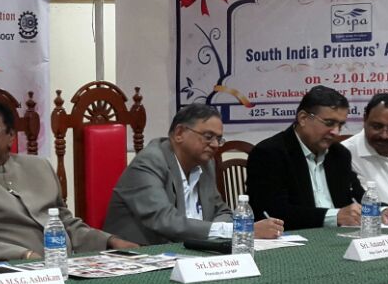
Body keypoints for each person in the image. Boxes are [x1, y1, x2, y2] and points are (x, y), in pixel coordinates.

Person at [0, 99, 136, 261]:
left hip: (65, 264)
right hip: (11, 272)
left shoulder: (40, 166)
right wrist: (25, 255)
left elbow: (66, 223)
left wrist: (110, 241)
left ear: (11, 136)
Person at [104, 104, 283, 245]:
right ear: (179, 133)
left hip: (189, 253)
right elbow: (165, 221)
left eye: (218, 138)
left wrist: (224, 230)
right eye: (208, 136)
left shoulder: (205, 163)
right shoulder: (149, 162)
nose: (215, 145)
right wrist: (238, 230)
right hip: (140, 256)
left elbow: (222, 210)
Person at [246, 86, 388, 230]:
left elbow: (357, 195)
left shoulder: (339, 154)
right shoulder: (270, 153)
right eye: (329, 123)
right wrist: (334, 217)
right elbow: (273, 212)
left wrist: (382, 210)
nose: (336, 132)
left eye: (340, 125)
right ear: (303, 118)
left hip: (338, 237)